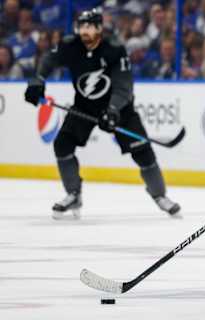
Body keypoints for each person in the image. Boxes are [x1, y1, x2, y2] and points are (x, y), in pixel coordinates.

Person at [24, 8, 180, 220]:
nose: (84, 31)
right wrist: (38, 80)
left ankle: (160, 196)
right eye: (82, 26)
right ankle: (73, 194)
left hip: (118, 108)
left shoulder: (114, 49)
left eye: (90, 26)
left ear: (99, 28)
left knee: (142, 151)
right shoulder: (70, 45)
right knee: (62, 144)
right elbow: (48, 61)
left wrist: (113, 110)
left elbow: (123, 86)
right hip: (84, 106)